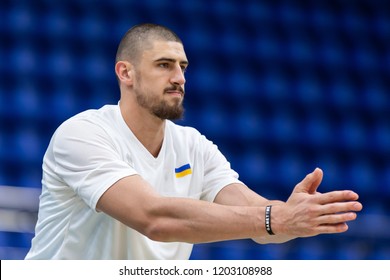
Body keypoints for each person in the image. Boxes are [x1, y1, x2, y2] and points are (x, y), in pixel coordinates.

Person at [25, 23, 362, 260]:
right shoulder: (82, 133)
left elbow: (260, 222)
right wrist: (277, 219)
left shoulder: (194, 145)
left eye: (183, 66)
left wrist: (295, 217)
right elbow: (154, 218)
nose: (180, 78)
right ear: (125, 73)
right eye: (164, 65)